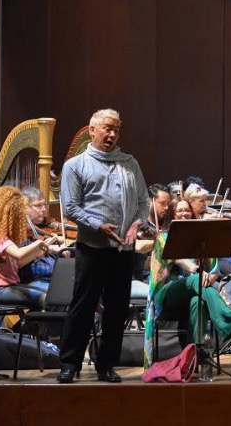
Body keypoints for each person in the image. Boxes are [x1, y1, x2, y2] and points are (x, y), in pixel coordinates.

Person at [57, 108, 149, 383]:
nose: (111, 134)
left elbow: (143, 202)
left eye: (116, 130)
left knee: (117, 308)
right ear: (92, 130)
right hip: (92, 246)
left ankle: (106, 364)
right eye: (107, 128)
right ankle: (70, 364)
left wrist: (137, 224)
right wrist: (98, 225)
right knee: (82, 306)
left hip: (123, 249)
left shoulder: (130, 163)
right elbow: (70, 207)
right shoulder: (76, 165)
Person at [142, 197, 231, 367]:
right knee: (197, 280)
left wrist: (212, 274)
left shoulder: (198, 237)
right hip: (166, 293)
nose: (184, 213)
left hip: (194, 289)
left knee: (198, 301)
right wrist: (197, 270)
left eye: (187, 210)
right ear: (172, 214)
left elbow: (214, 268)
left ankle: (194, 356)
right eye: (179, 210)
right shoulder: (163, 237)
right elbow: (178, 260)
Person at [0, 187, 54, 328]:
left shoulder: (4, 235)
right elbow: (19, 253)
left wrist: (41, 249)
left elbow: (19, 262)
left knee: (51, 297)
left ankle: (18, 333)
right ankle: (17, 335)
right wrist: (38, 243)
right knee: (48, 298)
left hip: (6, 286)